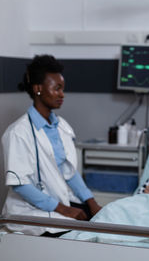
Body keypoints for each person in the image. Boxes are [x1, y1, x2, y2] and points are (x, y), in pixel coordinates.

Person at [2, 55, 102, 236]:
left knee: (99, 220)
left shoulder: (62, 127)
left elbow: (69, 172)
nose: (62, 94)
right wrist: (64, 209)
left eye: (62, 88)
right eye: (57, 89)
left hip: (58, 200)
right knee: (78, 231)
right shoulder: (18, 132)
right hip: (28, 209)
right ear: (38, 89)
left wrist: (91, 202)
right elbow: (20, 185)